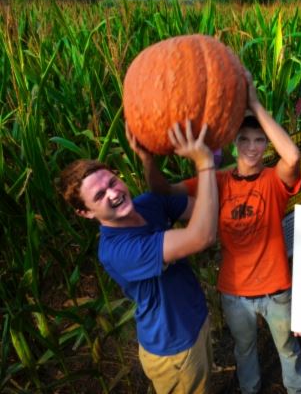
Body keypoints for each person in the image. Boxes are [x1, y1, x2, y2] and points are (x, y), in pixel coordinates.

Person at [144, 70, 301, 394]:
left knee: (287, 348)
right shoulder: (216, 181)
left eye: (259, 140)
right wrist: (147, 157)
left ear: (266, 144)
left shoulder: (274, 180)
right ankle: (250, 390)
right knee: (243, 350)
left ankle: (297, 390)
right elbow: (161, 190)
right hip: (234, 291)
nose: (251, 147)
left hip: (276, 288)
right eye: (244, 139)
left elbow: (293, 156)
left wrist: (255, 105)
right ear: (233, 143)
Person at [58, 122, 218, 394]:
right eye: (99, 195)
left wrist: (147, 158)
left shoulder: (147, 204)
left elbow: (194, 208)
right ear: (85, 213)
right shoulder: (119, 251)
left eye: (112, 181)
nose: (113, 193)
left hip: (195, 320)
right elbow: (202, 236)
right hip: (174, 350)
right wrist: (205, 164)